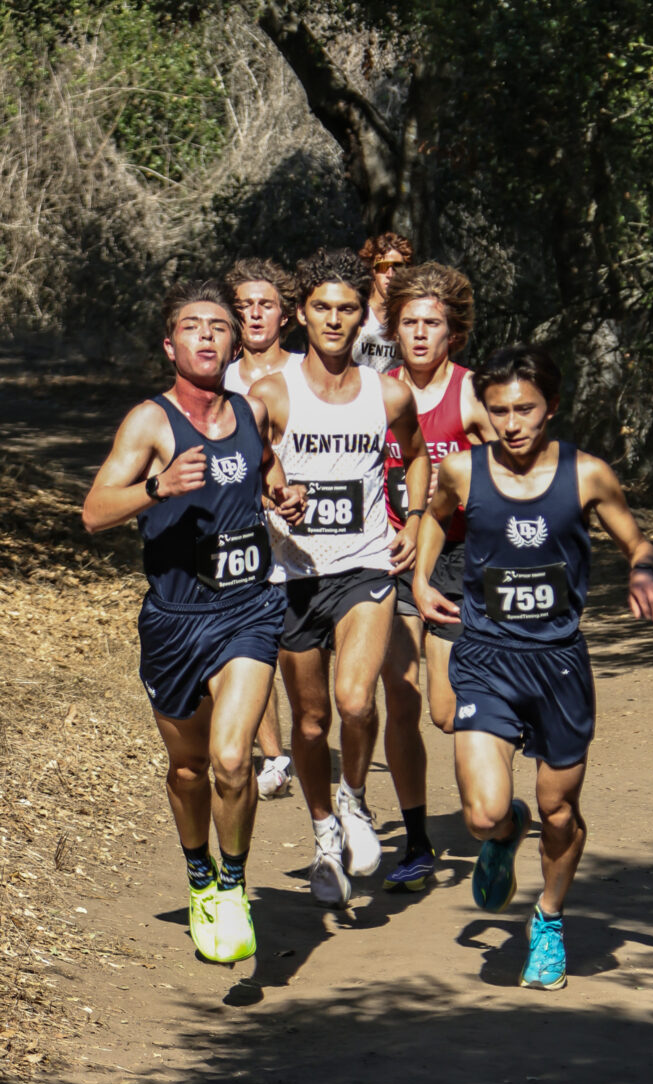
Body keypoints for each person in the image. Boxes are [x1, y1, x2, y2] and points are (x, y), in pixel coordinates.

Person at [413, 343, 653, 989]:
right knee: (480, 813)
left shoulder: (586, 475)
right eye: (499, 410)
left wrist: (641, 567)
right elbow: (436, 521)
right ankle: (502, 833)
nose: (512, 423)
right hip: (485, 657)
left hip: (557, 665)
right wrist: (419, 579)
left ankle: (549, 919)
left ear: (551, 406)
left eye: (525, 408)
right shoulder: (464, 472)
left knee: (559, 813)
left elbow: (636, 537)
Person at [82, 280, 305, 964]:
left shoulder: (251, 410)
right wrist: (157, 488)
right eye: (192, 326)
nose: (207, 335)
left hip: (249, 610)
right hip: (176, 619)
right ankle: (200, 874)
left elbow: (266, 469)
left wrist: (284, 497)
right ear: (169, 344)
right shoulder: (149, 423)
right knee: (189, 768)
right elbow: (93, 513)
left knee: (234, 760)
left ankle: (233, 885)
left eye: (218, 326)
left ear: (235, 342)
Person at [250, 247, 430, 907]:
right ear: (302, 314)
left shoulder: (386, 391)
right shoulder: (271, 393)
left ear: (362, 319)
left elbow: (413, 456)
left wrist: (409, 520)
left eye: (346, 309)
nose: (333, 319)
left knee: (357, 702)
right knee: (311, 720)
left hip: (366, 564)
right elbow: (248, 463)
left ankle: (354, 799)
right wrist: (275, 494)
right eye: (322, 307)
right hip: (292, 574)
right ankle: (324, 830)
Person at [379, 262, 495, 894]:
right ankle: (417, 841)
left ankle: (495, 801)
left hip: (455, 560)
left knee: (446, 713)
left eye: (433, 324)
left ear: (454, 333)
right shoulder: (378, 391)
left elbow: (515, 466)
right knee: (400, 696)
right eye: (410, 323)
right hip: (391, 556)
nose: (421, 335)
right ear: (394, 329)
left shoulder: (473, 394)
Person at [224, 257, 300, 799]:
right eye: (244, 305)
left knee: (303, 655)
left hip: (309, 529)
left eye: (265, 304)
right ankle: (275, 755)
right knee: (256, 645)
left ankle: (310, 732)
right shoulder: (215, 376)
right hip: (245, 528)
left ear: (286, 315)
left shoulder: (308, 370)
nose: (254, 313)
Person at [352, 232, 413, 373]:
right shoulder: (356, 314)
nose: (390, 274)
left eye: (397, 267)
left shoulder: (411, 318)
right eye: (383, 267)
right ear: (372, 269)